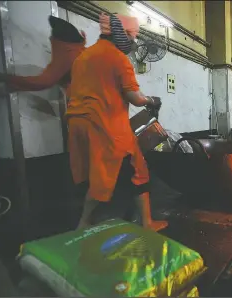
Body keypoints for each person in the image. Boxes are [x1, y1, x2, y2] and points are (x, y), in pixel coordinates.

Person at [66, 13, 167, 231]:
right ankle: (146, 223)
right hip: (104, 125)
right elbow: (135, 98)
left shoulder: (83, 57)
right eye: (133, 36)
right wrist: (152, 100)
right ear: (124, 35)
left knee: (95, 173)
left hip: (77, 124)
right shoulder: (119, 59)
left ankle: (85, 221)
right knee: (135, 171)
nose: (133, 41)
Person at [0, 16, 86, 93]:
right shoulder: (69, 60)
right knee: (45, 83)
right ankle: (1, 77)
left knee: (49, 82)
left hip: (72, 37)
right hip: (67, 43)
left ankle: (11, 85)